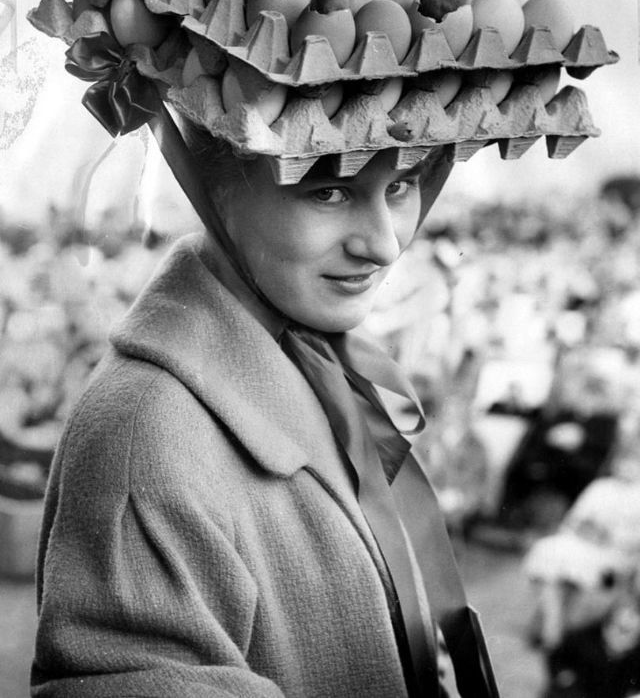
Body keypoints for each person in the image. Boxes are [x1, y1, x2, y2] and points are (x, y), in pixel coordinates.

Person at [30, 106, 499, 697]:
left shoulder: (311, 355)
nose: (384, 245)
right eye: (329, 192)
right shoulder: (146, 436)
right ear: (215, 190)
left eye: (401, 186)